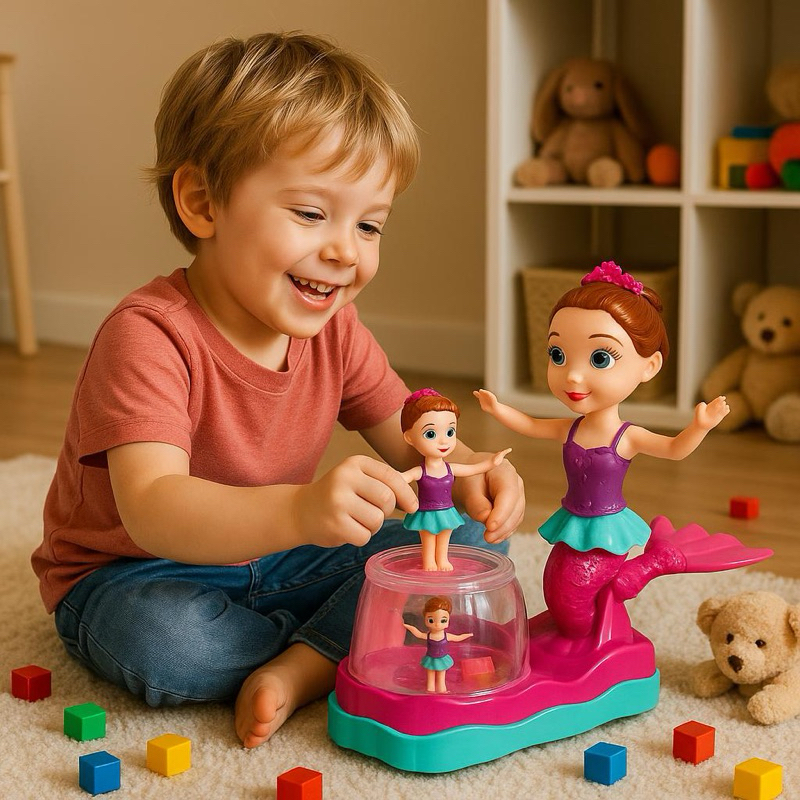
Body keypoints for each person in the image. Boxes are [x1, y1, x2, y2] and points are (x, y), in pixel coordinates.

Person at [31, 32, 524, 750]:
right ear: (203, 202)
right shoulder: (148, 335)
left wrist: (472, 473)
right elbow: (154, 509)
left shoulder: (336, 329)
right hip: (137, 573)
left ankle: (303, 665)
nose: (345, 250)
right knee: (169, 645)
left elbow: (415, 442)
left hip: (282, 556)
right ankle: (343, 641)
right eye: (311, 214)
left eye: (369, 225)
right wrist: (301, 509)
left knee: (463, 537)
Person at [475, 261, 732, 640]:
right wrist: (498, 409)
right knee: (557, 588)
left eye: (600, 358)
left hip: (608, 528)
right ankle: (582, 632)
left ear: (649, 366)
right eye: (558, 355)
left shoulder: (626, 437)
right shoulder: (570, 428)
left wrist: (700, 427)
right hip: (574, 520)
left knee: (573, 593)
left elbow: (674, 450)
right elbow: (530, 424)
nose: (572, 375)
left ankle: (640, 576)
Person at [400, 388, 511, 571]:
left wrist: (493, 462)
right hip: (427, 511)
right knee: (428, 538)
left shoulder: (450, 468)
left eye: (450, 432)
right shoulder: (421, 471)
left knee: (448, 535)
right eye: (431, 434)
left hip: (446, 510)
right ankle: (429, 561)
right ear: (409, 437)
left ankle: (442, 559)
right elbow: (401, 478)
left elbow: (473, 469)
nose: (443, 441)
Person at [402, 596, 473, 693]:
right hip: (430, 658)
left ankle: (442, 691)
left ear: (448, 621)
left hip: (442, 659)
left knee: (441, 677)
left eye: (443, 620)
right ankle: (430, 691)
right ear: (425, 620)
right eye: (431, 620)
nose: (437, 624)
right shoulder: (429, 635)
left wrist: (468, 635)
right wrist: (408, 627)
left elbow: (457, 638)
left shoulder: (446, 636)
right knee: (430, 677)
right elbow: (418, 634)